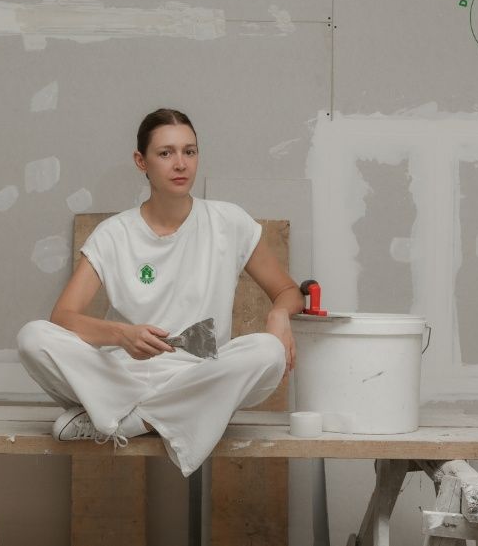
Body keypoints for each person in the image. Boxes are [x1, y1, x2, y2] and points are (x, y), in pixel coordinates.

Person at [16, 108, 304, 477]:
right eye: (166, 153)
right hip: (124, 376)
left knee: (267, 350)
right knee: (32, 337)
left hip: (201, 377)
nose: (181, 164)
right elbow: (63, 318)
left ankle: (131, 422)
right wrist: (121, 335)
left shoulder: (228, 222)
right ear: (142, 161)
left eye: (190, 151)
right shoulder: (114, 233)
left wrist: (279, 315)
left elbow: (287, 290)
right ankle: (153, 414)